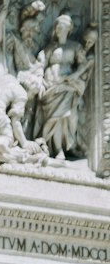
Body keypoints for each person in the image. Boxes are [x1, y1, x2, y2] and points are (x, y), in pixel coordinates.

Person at [36, 14, 90, 158]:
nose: (58, 29)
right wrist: (40, 82)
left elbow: (83, 64)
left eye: (62, 26)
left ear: (69, 28)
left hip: (68, 85)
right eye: (57, 26)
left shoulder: (74, 46)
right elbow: (41, 65)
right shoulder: (50, 48)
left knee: (70, 116)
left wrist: (75, 76)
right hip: (51, 86)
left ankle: (70, 145)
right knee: (55, 119)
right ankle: (58, 149)